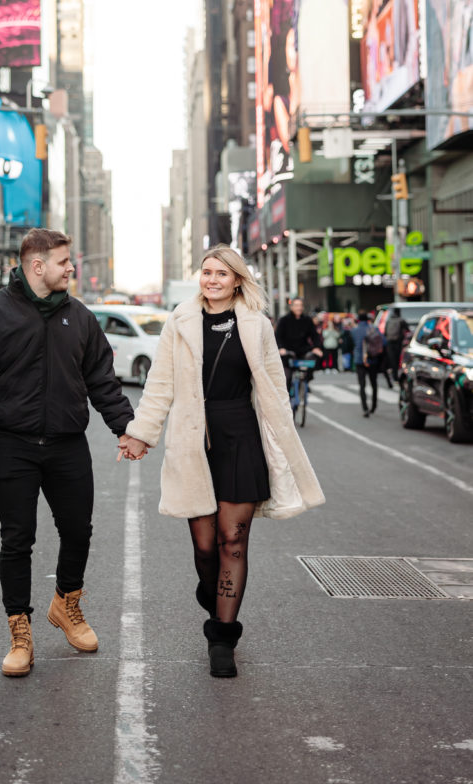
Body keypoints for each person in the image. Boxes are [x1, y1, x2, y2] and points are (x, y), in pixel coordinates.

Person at [119, 246, 325, 679]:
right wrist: (141, 433)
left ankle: (222, 636)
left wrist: (282, 441)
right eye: (206, 272)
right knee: (206, 546)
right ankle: (210, 590)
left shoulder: (256, 323)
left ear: (237, 280)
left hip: (241, 435)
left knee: (234, 540)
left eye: (221, 273)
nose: (212, 280)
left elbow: (272, 385)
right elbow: (160, 384)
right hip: (194, 437)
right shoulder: (180, 321)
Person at [0, 228, 136, 678]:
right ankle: (20, 633)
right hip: (12, 446)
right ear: (37, 266)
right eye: (63, 262)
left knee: (78, 530)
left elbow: (102, 381)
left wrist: (127, 429)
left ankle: (66, 605)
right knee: (17, 540)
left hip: (67, 444)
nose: (71, 267)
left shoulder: (81, 317)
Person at [275, 296, 323, 391]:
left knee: (311, 362)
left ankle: (305, 384)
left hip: (303, 351)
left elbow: (314, 335)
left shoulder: (307, 320)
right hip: (288, 352)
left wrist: (317, 347)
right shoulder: (284, 320)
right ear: (291, 307)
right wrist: (281, 348)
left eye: (301, 305)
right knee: (287, 377)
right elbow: (277, 336)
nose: (299, 308)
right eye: (296, 305)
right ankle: (288, 400)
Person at [351, 312, 385, 417]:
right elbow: (383, 342)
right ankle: (374, 405)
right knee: (374, 384)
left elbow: (352, 343)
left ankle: (365, 407)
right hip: (372, 359)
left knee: (362, 385)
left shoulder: (354, 331)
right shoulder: (374, 328)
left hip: (359, 360)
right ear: (368, 319)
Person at [384, 306, 409, 380]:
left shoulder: (389, 320)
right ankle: (397, 375)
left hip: (389, 342)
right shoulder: (401, 320)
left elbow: (385, 332)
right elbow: (407, 329)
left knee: (392, 359)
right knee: (398, 359)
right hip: (398, 342)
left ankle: (394, 375)